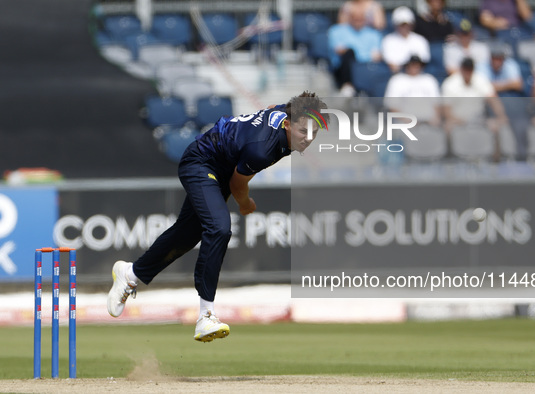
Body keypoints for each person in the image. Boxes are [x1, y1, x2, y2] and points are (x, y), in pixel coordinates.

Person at [107, 91, 328, 342]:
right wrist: (245, 204)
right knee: (220, 228)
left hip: (222, 165)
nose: (308, 139)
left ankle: (131, 274)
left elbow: (269, 108)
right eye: (303, 132)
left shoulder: (284, 113)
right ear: (287, 124)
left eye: (314, 133)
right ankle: (206, 315)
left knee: (187, 234)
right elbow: (237, 184)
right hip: (202, 162)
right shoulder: (261, 149)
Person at [442, 57, 509, 158]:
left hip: (479, 118)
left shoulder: (480, 79)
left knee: (495, 126)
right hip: (457, 119)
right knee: (447, 127)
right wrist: (458, 119)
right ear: (461, 69)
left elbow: (493, 100)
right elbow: (446, 111)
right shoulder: (450, 83)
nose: (468, 71)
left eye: (470, 69)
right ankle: (450, 159)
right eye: (466, 68)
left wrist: (501, 115)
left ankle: (496, 161)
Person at [328, 6, 382, 97]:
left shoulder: (374, 34)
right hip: (343, 69)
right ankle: (347, 85)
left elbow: (377, 55)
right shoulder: (336, 31)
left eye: (361, 19)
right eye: (355, 19)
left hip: (366, 67)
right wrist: (364, 55)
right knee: (349, 53)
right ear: (350, 18)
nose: (358, 22)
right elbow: (339, 51)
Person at [383, 55, 441, 126]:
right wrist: (407, 120)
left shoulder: (429, 80)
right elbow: (392, 105)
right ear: (407, 66)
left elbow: (436, 103)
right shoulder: (397, 80)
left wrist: (436, 118)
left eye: (417, 65)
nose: (414, 67)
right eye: (412, 65)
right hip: (405, 122)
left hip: (427, 122)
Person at [382, 6, 430, 73]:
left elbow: (423, 61)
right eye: (401, 24)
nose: (404, 27)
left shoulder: (420, 40)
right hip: (398, 75)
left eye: (407, 24)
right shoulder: (388, 40)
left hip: (419, 75)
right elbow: (392, 65)